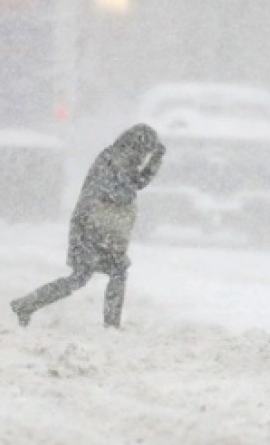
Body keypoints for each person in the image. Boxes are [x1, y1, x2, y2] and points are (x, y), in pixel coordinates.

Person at [11, 123, 166, 329]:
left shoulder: (117, 159)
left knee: (90, 276)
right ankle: (109, 325)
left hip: (98, 229)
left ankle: (27, 304)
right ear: (137, 146)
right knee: (98, 274)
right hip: (92, 229)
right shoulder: (114, 160)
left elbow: (136, 183)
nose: (145, 155)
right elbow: (123, 189)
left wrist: (155, 162)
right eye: (146, 151)